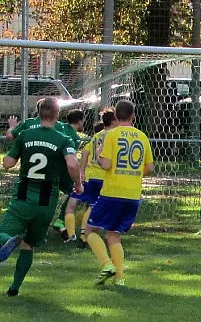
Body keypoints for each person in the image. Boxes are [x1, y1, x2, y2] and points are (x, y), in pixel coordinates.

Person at [0, 97, 83, 297]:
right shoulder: (63, 139)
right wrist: (78, 185)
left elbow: (7, 163)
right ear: (57, 115)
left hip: (23, 196)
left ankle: (10, 240)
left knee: (1, 237)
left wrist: (12, 156)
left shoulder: (25, 134)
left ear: (39, 113)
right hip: (47, 201)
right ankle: (14, 288)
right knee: (29, 244)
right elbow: (72, 164)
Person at [86, 100, 154, 286]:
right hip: (132, 195)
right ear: (133, 116)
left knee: (90, 230)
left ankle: (107, 264)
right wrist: (132, 173)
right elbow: (149, 167)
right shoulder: (142, 136)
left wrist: (100, 156)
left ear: (115, 116)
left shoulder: (112, 135)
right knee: (114, 234)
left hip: (112, 192)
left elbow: (106, 164)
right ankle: (120, 278)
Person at [64, 109, 118, 247]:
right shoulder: (114, 136)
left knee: (73, 203)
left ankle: (71, 235)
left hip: (90, 176)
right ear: (113, 121)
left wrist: (82, 171)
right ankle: (84, 235)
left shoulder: (96, 136)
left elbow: (85, 152)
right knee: (93, 207)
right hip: (103, 177)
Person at [51, 109, 85, 237]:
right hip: (63, 170)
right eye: (83, 121)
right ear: (80, 121)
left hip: (50, 167)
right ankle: (60, 221)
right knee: (76, 193)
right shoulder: (75, 138)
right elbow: (69, 159)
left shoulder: (60, 126)